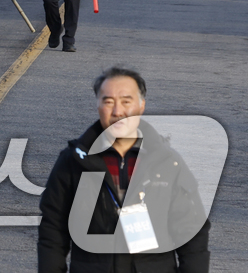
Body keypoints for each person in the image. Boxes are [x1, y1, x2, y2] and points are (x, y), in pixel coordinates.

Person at [37, 67, 210, 272]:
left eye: (126, 102)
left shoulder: (167, 162)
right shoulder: (74, 162)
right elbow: (53, 232)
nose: (117, 112)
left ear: (141, 105)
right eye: (108, 101)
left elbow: (192, 234)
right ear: (97, 105)